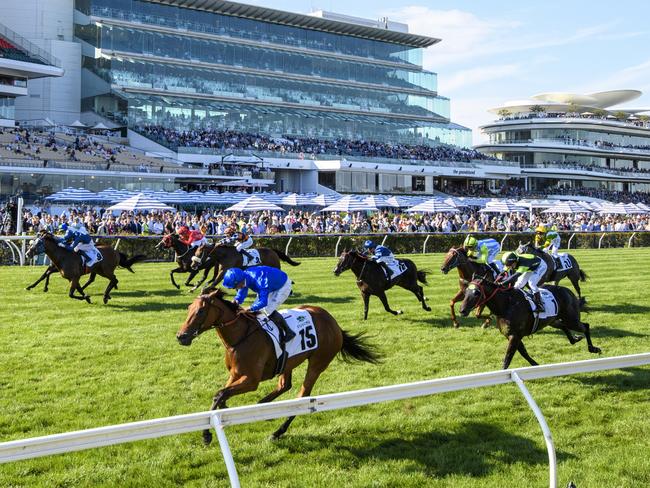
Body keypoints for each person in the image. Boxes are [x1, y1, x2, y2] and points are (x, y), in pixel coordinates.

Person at [222, 266, 295, 343]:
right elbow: (242, 291)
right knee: (257, 309)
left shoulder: (259, 279)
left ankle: (289, 332)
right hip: (270, 285)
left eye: (234, 287)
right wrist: (237, 300)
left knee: (267, 309)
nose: (235, 289)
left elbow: (263, 302)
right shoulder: (244, 277)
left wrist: (249, 308)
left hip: (282, 286)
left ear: (239, 282)